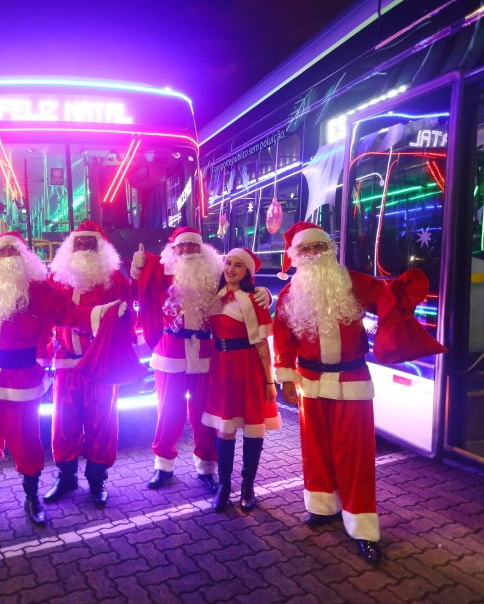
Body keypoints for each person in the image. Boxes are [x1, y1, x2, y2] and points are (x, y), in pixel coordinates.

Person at [0, 224, 123, 527]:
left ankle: (31, 497)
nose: (7, 257)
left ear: (24, 257)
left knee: (26, 441)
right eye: (2, 251)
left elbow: (72, 314)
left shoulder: (40, 290)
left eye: (13, 251)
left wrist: (105, 313)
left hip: (21, 379)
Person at [272, 221, 388, 565]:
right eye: (305, 249)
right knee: (316, 449)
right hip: (309, 381)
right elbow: (283, 339)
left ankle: (363, 528)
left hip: (351, 379)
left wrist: (406, 292)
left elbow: (392, 302)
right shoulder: (289, 294)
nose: (313, 254)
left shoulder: (357, 283)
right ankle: (323, 506)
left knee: (356, 456)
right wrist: (286, 379)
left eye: (319, 247)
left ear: (330, 250)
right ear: (295, 255)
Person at [132, 227, 270, 493]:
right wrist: (137, 268)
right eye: (181, 247)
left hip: (206, 353)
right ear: (173, 250)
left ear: (203, 249)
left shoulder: (215, 275)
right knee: (168, 412)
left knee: (204, 414)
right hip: (170, 351)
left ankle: (207, 467)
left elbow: (240, 281)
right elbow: (138, 286)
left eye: (193, 246)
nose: (187, 251)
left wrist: (261, 289)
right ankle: (163, 466)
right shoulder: (161, 273)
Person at [44, 219, 133, 509]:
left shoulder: (115, 280)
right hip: (66, 362)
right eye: (78, 243)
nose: (82, 248)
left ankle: (97, 479)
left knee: (101, 422)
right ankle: (67, 477)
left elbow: (127, 319)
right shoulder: (55, 279)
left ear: (101, 246)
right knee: (64, 422)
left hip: (101, 365)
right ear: (70, 246)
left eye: (89, 243)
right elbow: (44, 319)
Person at [202, 248, 280, 513]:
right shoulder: (215, 296)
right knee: (225, 428)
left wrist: (270, 382)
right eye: (228, 263)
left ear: (247, 272)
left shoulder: (252, 300)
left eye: (238, 265)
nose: (231, 269)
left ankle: (247, 487)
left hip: (248, 368)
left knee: (251, 427)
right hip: (221, 368)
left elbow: (262, 346)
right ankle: (224, 486)